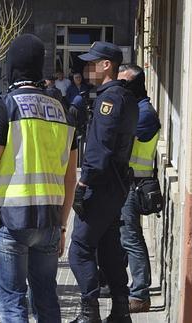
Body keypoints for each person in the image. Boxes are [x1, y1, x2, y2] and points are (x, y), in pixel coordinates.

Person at [0, 34, 78, 322]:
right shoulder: (63, 112)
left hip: (8, 223)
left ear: (11, 68)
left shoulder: (3, 108)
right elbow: (70, 178)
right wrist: (62, 225)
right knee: (46, 298)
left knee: (12, 304)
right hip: (47, 222)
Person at [68, 41, 139, 323]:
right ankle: (120, 310)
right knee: (109, 246)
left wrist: (83, 184)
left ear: (106, 65)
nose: (86, 69)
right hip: (115, 185)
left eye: (91, 63)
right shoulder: (125, 96)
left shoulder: (109, 99)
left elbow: (100, 147)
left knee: (80, 249)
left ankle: (89, 314)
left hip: (101, 184)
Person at [118, 63, 161, 313]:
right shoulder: (136, 109)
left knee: (131, 238)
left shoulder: (143, 113)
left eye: (124, 83)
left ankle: (140, 294)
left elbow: (121, 142)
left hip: (135, 185)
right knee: (125, 236)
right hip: (129, 183)